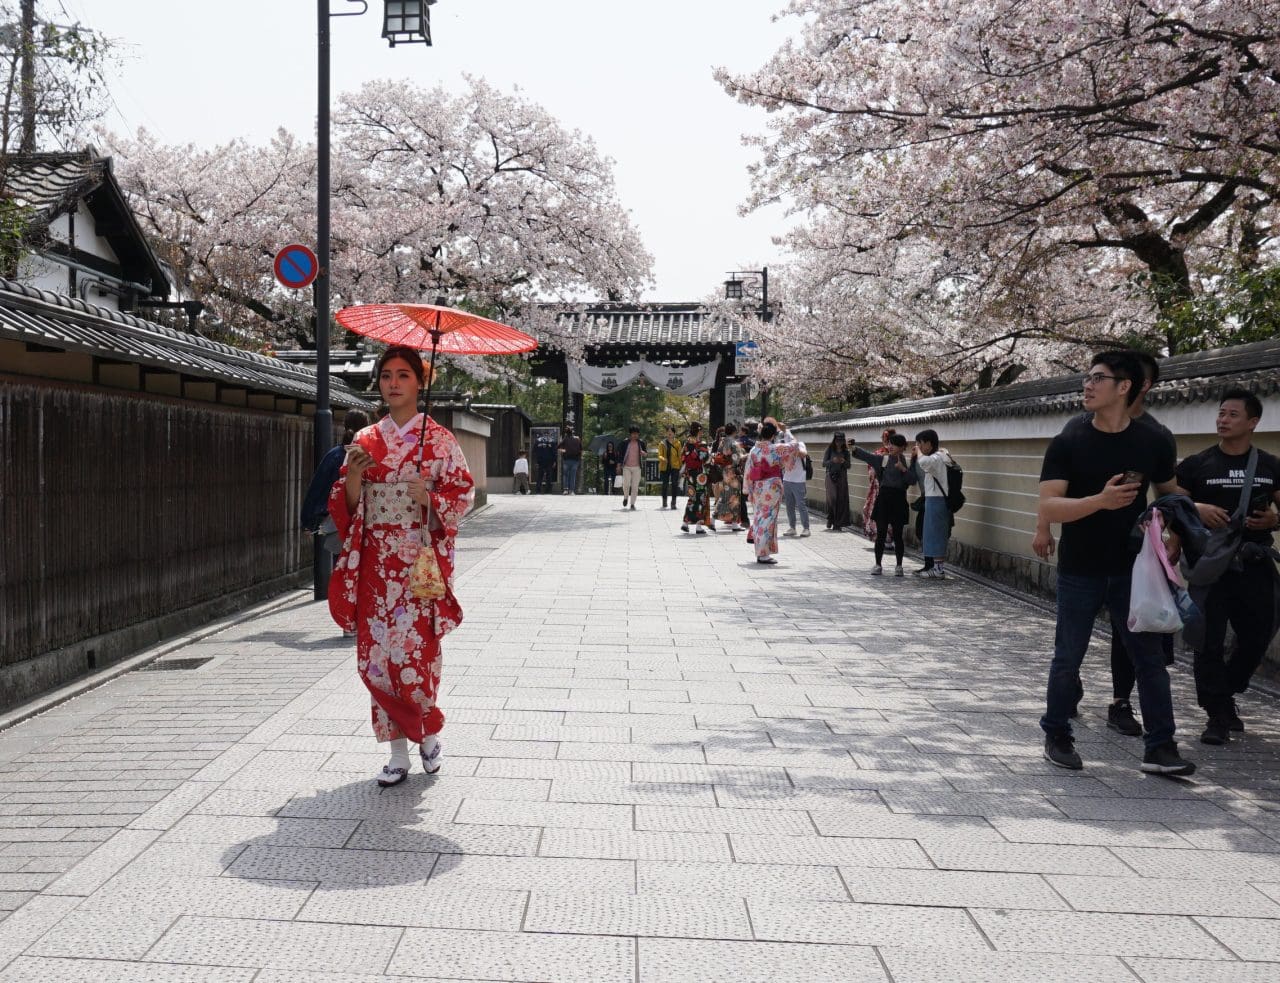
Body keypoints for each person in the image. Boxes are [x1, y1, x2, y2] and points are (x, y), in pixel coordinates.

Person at [1038, 351, 1192, 776]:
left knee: (1149, 658)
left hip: (1133, 568)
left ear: (1125, 387)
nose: (1087, 385)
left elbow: (1170, 492)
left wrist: (1175, 530)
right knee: (1069, 655)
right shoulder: (1069, 439)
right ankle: (1057, 733)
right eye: (1086, 377)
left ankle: (1160, 747)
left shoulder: (1153, 440)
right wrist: (1099, 502)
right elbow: (1050, 506)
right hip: (1081, 567)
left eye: (1098, 378)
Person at [327, 346, 475, 787]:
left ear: (420, 381)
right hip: (375, 562)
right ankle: (396, 753)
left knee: (416, 653)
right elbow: (347, 507)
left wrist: (430, 498)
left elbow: (461, 494)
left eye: (403, 375)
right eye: (387, 375)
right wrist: (354, 475)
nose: (393, 383)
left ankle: (426, 732)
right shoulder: (368, 438)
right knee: (377, 659)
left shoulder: (441, 440)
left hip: (418, 563)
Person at [1175, 388, 1280, 745]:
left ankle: (1229, 687)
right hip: (1210, 566)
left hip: (1254, 561)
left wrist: (1272, 521)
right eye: (1221, 413)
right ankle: (1217, 714)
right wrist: (1198, 509)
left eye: (1233, 414)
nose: (1223, 419)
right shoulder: (1196, 465)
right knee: (1208, 639)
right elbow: (1171, 505)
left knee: (1259, 631)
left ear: (1253, 422)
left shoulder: (1269, 465)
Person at [743, 421, 806, 564]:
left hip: (758, 486)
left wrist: (748, 489)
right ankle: (763, 553)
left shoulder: (754, 450)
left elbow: (748, 470)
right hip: (771, 487)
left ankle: (761, 551)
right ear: (772, 435)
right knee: (768, 518)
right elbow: (795, 446)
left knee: (759, 517)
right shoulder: (775, 449)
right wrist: (787, 432)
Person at [853, 433, 915, 576]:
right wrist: (854, 448)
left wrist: (903, 469)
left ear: (902, 447)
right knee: (881, 533)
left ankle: (899, 566)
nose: (891, 446)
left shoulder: (907, 462)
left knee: (898, 535)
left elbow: (912, 481)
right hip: (884, 498)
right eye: (890, 443)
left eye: (895, 444)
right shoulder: (883, 459)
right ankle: (878, 564)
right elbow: (867, 456)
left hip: (899, 499)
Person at [911, 429, 956, 579]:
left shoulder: (937, 457)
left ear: (929, 443)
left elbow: (923, 462)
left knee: (936, 533)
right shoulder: (941, 456)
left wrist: (918, 453)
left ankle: (938, 569)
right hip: (934, 499)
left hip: (937, 500)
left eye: (920, 443)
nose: (919, 447)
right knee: (932, 533)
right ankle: (936, 568)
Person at [862, 428, 896, 541]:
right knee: (890, 512)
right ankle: (889, 538)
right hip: (893, 488)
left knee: (877, 510)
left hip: (878, 486)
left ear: (885, 438)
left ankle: (880, 536)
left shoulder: (879, 453)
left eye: (883, 438)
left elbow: (871, 470)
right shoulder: (897, 454)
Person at [778, 423, 811, 538]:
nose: (785, 439)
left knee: (801, 505)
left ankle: (806, 528)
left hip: (798, 480)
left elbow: (803, 454)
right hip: (787, 479)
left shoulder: (800, 444)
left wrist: (794, 449)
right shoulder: (784, 446)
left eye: (786, 437)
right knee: (789, 505)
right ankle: (792, 527)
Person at [680, 421, 713, 534]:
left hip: (690, 474)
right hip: (700, 474)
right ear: (699, 431)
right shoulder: (701, 444)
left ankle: (685, 522)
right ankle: (699, 525)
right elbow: (706, 459)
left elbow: (683, 458)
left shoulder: (687, 443)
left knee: (692, 497)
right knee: (701, 498)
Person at [713, 423, 746, 532]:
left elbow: (718, 457)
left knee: (724, 496)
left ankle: (714, 520)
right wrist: (745, 456)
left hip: (724, 472)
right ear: (734, 432)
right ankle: (734, 524)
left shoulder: (722, 442)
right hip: (732, 473)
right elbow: (737, 459)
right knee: (734, 498)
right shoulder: (734, 443)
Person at [822, 433, 853, 530]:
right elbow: (823, 463)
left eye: (841, 441)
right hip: (830, 476)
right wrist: (832, 461)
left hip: (842, 477)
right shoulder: (829, 450)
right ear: (834, 441)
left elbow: (849, 466)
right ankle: (830, 518)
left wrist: (843, 461)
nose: (839, 443)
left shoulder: (846, 452)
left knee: (841, 500)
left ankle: (837, 523)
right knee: (832, 499)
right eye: (837, 441)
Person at [618, 426, 646, 510]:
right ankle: (626, 497)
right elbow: (620, 454)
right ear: (630, 434)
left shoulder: (641, 443)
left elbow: (646, 453)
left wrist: (643, 453)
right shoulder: (625, 443)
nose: (635, 435)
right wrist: (618, 465)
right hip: (626, 466)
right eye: (633, 434)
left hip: (637, 467)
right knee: (626, 484)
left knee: (635, 486)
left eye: (637, 434)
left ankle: (632, 503)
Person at [657, 425, 683, 510]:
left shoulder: (678, 443)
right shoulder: (662, 443)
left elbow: (680, 456)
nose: (669, 434)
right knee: (665, 484)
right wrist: (663, 459)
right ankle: (664, 501)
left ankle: (673, 503)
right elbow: (659, 455)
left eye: (671, 432)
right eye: (668, 432)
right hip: (664, 466)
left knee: (674, 484)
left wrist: (681, 466)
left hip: (675, 466)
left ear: (674, 433)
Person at [558, 427, 583, 494]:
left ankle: (566, 490)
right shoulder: (577, 439)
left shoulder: (565, 439)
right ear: (572, 432)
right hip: (575, 460)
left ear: (566, 433)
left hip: (566, 460)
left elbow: (558, 447)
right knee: (573, 476)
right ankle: (571, 491)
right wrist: (579, 458)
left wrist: (563, 450)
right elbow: (581, 449)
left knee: (566, 475)